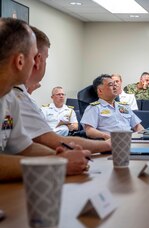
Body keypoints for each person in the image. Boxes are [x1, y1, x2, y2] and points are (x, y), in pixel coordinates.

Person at [0, 18, 90, 181]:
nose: (37, 63)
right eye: (34, 56)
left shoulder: (10, 99)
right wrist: (58, 163)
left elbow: (24, 147)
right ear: (20, 61)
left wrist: (63, 155)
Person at [14, 26, 111, 154]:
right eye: (45, 58)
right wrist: (106, 145)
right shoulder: (16, 98)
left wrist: (61, 157)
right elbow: (50, 140)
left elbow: (26, 147)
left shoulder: (18, 95)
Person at [81, 74, 144, 140]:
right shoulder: (94, 108)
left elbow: (137, 126)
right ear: (100, 91)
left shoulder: (124, 107)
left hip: (131, 141)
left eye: (115, 84)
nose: (115, 87)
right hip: (111, 143)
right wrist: (105, 136)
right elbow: (89, 130)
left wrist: (144, 137)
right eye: (111, 85)